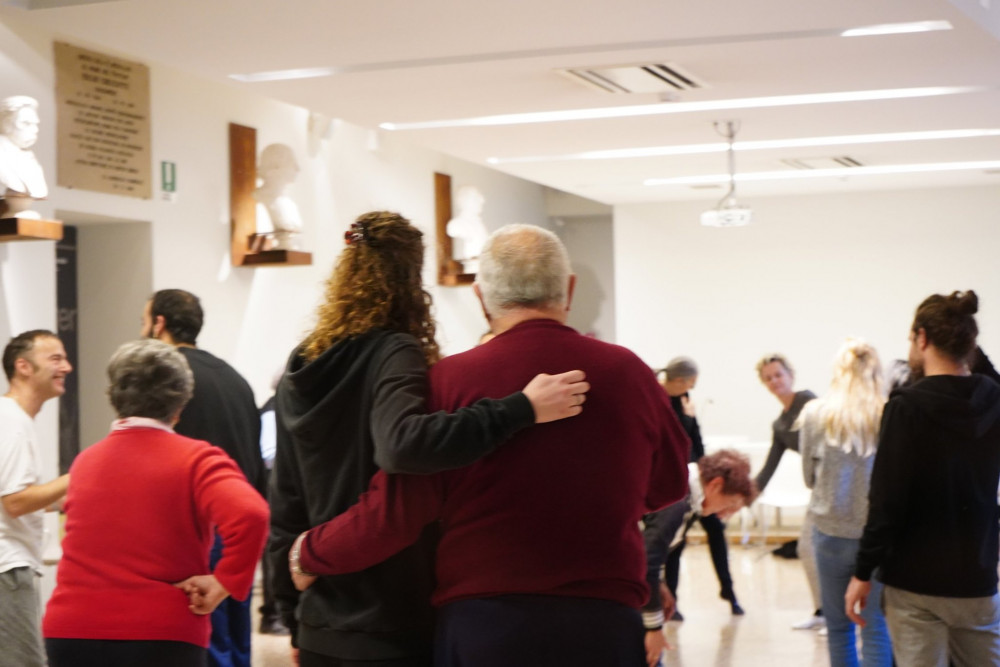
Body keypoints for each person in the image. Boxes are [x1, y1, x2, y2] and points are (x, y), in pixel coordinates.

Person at [289, 223, 690, 667]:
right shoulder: (629, 373)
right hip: (604, 616)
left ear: (480, 297)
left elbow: (397, 513)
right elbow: (670, 484)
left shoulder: (448, 381)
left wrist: (311, 553)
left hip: (484, 622)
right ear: (569, 289)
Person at [43, 339, 269, 666]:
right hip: (160, 633)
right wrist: (224, 582)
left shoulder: (85, 461)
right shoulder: (197, 459)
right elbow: (251, 514)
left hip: (71, 631)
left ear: (114, 396)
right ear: (181, 403)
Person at [846, 291, 1000, 667]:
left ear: (922, 338)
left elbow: (886, 501)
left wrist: (863, 571)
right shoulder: (994, 398)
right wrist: (966, 342)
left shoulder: (905, 408)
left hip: (915, 581)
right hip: (977, 577)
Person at [141, 289, 266, 667]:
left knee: (205, 644)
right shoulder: (235, 379)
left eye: (144, 320)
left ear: (159, 323)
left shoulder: (167, 378)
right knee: (237, 644)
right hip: (239, 525)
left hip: (195, 531)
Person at [798, 339, 892, 667]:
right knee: (876, 626)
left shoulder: (815, 414)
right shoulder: (889, 413)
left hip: (830, 533)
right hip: (878, 536)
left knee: (838, 627)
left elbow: (809, 477)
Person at [642, 449, 757, 665]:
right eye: (729, 505)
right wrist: (654, 628)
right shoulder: (677, 499)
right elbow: (645, 562)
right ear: (715, 485)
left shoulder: (684, 493)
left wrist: (658, 584)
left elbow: (651, 555)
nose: (724, 514)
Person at [0, 330, 71, 667]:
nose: (66, 367)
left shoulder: (12, 419)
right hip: (8, 568)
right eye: (56, 359)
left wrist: (67, 499)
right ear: (23, 366)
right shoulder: (11, 422)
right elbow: (14, 501)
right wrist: (82, 473)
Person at [656, 356, 743, 620]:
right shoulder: (658, 397)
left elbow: (695, 440)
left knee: (716, 530)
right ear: (679, 380)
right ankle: (672, 601)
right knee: (676, 543)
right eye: (691, 381)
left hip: (698, 481)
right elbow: (671, 442)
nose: (693, 387)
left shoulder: (685, 398)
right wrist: (687, 418)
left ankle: (728, 591)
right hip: (674, 483)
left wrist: (708, 472)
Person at [754, 353, 822, 631]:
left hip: (838, 486)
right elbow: (769, 465)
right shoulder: (780, 425)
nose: (775, 381)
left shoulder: (809, 401)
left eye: (778, 375)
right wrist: (745, 494)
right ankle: (823, 611)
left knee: (824, 549)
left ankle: (839, 614)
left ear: (790, 375)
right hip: (820, 490)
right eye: (768, 378)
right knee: (807, 548)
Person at [0, 96, 47, 218]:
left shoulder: (30, 158)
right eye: (25, 123)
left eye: (35, 124)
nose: (35, 130)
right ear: (6, 124)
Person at [254, 143, 303, 251]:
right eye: (292, 162)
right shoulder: (259, 197)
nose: (298, 169)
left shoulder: (289, 204)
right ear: (276, 166)